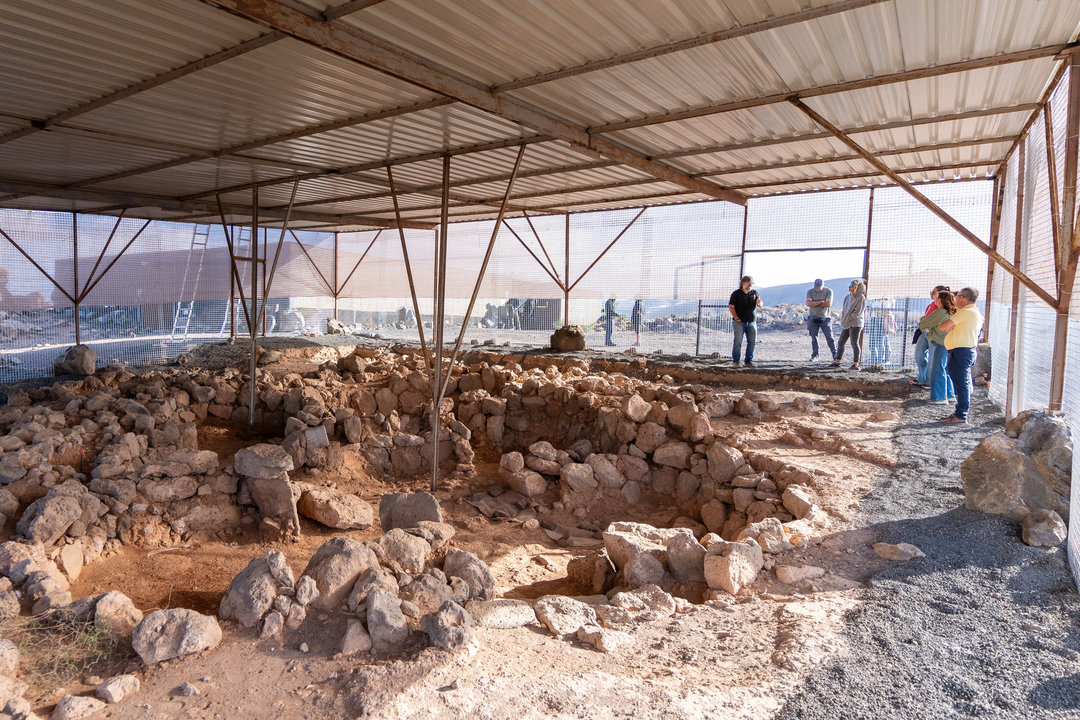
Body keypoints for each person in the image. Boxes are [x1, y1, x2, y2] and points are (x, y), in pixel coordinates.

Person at [939, 288, 983, 424]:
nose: (955, 299)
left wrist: (950, 327)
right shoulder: (974, 313)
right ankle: (959, 412)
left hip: (961, 352)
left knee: (962, 385)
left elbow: (943, 326)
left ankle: (961, 415)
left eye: (957, 296)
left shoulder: (964, 312)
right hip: (965, 351)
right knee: (962, 383)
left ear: (963, 298)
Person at [918, 290, 956, 405]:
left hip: (940, 342)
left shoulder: (940, 312)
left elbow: (923, 324)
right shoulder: (953, 311)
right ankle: (950, 395)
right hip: (950, 343)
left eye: (937, 297)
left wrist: (924, 320)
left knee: (938, 369)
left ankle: (939, 397)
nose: (936, 299)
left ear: (940, 299)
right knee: (945, 369)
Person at [913, 286, 948, 387]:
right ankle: (922, 377)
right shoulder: (930, 305)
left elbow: (930, 321)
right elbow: (925, 321)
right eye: (931, 292)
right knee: (919, 355)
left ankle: (929, 381)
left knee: (933, 359)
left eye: (934, 292)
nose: (931, 294)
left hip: (934, 334)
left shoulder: (943, 309)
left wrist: (925, 321)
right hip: (924, 332)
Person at [830, 279, 866, 370]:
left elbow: (858, 312)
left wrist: (848, 318)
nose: (849, 288)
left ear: (857, 287)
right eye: (849, 286)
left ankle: (856, 364)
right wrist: (844, 318)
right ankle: (837, 361)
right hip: (846, 322)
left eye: (851, 286)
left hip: (855, 323)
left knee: (854, 343)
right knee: (841, 342)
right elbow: (844, 309)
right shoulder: (848, 297)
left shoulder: (861, 297)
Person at [729, 275, 762, 367]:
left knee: (752, 342)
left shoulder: (754, 292)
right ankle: (736, 361)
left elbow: (760, 303)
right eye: (749, 282)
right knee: (738, 342)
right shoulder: (736, 294)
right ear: (743, 283)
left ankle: (748, 361)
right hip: (739, 322)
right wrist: (736, 318)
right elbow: (731, 307)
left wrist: (759, 303)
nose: (751, 285)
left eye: (752, 283)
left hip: (752, 321)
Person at [805, 278, 837, 361]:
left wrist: (814, 303)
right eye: (816, 287)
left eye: (819, 287)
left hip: (825, 317)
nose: (818, 289)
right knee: (814, 337)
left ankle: (835, 353)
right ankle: (815, 355)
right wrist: (821, 302)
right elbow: (808, 303)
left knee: (829, 337)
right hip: (813, 317)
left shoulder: (828, 291)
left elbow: (828, 304)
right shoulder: (810, 292)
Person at [865, 300, 896, 366]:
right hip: (873, 320)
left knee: (880, 342)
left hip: (880, 320)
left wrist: (876, 311)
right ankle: (873, 360)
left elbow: (888, 313)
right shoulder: (874, 302)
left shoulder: (885, 302)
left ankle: (881, 361)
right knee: (872, 342)